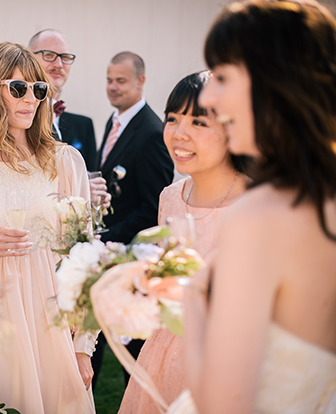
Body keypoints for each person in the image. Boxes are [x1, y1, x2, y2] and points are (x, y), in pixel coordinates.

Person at [166, 2, 336, 413]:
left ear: (272, 81)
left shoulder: (258, 218)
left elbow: (223, 406)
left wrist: (195, 299)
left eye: (222, 77)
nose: (209, 95)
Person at [0, 41, 96, 413]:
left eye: (39, 90)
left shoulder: (66, 163)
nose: (30, 99)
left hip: (54, 331)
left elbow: (87, 259)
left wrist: (82, 346)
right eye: (18, 88)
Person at [118, 71, 248, 414]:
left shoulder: (260, 206)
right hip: (163, 356)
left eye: (198, 123)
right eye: (172, 119)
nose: (179, 133)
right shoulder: (170, 197)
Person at [91, 51, 174, 390]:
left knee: (135, 360)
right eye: (109, 80)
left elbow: (154, 207)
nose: (113, 87)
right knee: (93, 345)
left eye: (121, 81)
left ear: (141, 81)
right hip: (106, 261)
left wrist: (106, 237)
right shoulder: (115, 122)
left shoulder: (152, 132)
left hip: (131, 265)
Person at [28, 29, 97, 171]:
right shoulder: (19, 117)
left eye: (65, 57)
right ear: (29, 59)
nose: (59, 64)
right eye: (49, 55)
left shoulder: (84, 126)